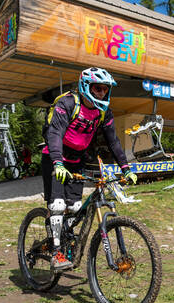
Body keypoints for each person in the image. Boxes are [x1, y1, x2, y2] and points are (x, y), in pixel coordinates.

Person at [42, 67, 137, 271]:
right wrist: (58, 162)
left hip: (76, 160)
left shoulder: (103, 112)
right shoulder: (67, 103)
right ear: (86, 87)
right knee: (58, 204)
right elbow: (55, 134)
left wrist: (126, 168)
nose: (102, 93)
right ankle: (56, 252)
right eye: (98, 88)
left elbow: (114, 142)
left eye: (105, 89)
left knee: (76, 208)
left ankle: (66, 238)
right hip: (54, 158)